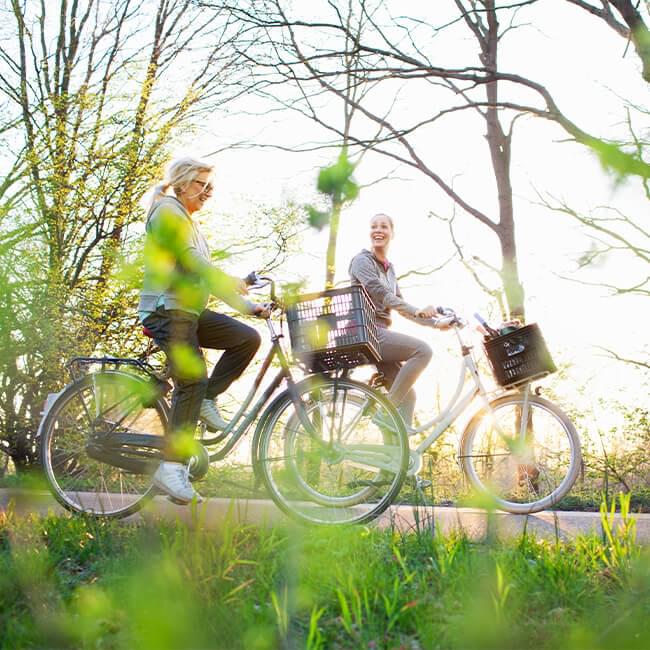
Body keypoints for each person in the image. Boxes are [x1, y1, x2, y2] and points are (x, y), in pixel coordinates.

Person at [138, 157, 270, 504]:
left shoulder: (190, 222)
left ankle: (206, 398)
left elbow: (203, 275)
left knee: (246, 338)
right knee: (191, 379)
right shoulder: (167, 210)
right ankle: (171, 467)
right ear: (181, 183)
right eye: (202, 184)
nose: (208, 192)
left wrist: (249, 308)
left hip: (188, 312)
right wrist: (227, 279)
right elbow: (193, 262)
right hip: (166, 309)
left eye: (211, 186)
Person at [349, 213, 444, 430]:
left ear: (392, 233)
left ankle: (396, 460)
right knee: (423, 351)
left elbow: (401, 306)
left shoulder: (390, 269)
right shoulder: (361, 261)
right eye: (374, 226)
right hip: (365, 332)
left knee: (407, 396)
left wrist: (436, 323)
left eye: (384, 226)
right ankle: (385, 412)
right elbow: (382, 294)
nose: (378, 230)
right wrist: (419, 310)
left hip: (379, 335)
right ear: (369, 232)